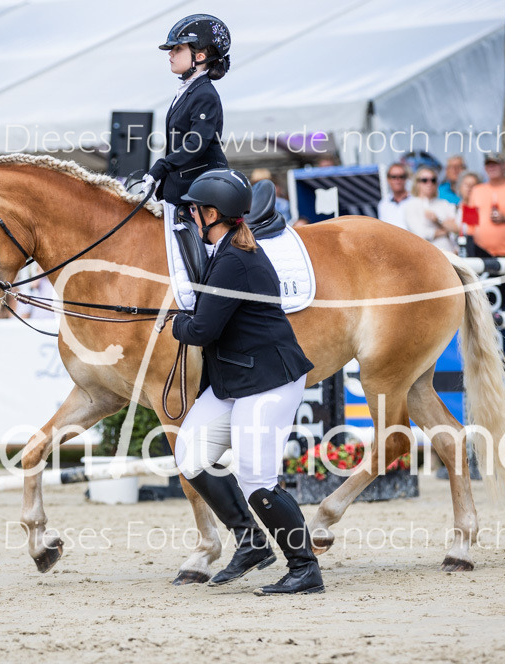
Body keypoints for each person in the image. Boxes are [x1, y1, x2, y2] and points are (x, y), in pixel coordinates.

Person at [170, 168, 322, 596]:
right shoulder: (223, 252)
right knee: (191, 455)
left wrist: (177, 324)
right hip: (236, 379)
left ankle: (304, 566)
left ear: (213, 214)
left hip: (268, 380)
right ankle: (251, 540)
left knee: (257, 477)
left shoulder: (235, 261)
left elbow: (201, 331)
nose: (191, 217)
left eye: (195, 211)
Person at [144, 14, 232, 207]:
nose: (170, 54)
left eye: (177, 49)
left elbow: (196, 143)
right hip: (182, 187)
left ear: (199, 57)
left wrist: (162, 166)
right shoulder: (188, 91)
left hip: (204, 189)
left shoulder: (205, 94)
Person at [402, 166, 456, 253]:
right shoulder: (410, 205)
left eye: (433, 180)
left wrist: (437, 220)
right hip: (426, 255)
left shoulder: (444, 203)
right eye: (424, 180)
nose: (429, 183)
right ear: (417, 183)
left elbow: (456, 228)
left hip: (449, 254)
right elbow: (420, 234)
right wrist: (444, 231)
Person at [377, 163, 410, 228]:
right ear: (388, 179)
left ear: (406, 178)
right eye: (394, 177)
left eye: (401, 176)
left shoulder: (415, 201)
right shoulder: (383, 204)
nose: (397, 180)